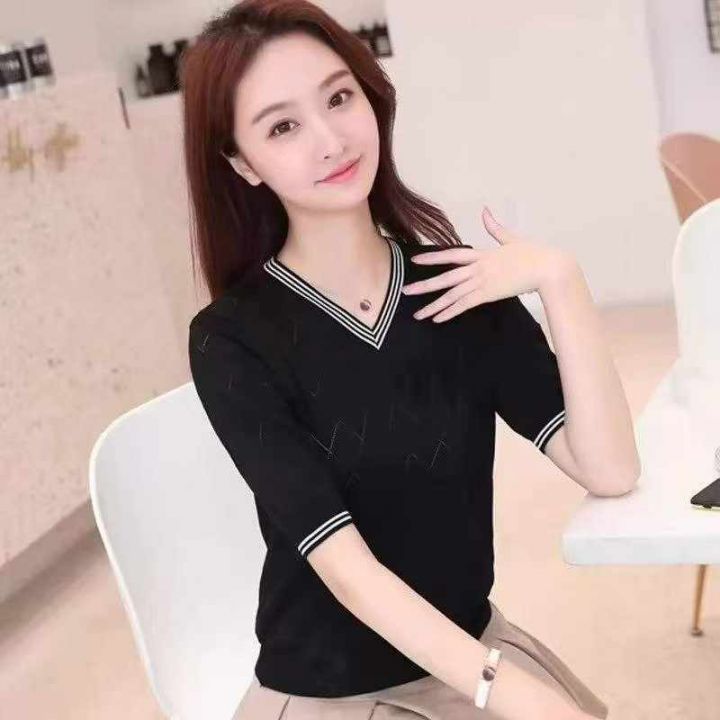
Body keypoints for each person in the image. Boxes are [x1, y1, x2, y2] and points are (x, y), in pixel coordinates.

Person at [181, 1, 637, 717]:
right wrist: (509, 694)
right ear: (242, 163)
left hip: (468, 653)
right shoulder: (232, 340)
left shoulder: (459, 287)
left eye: (339, 98)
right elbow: (348, 572)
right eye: (283, 127)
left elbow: (609, 470)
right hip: (336, 696)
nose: (331, 140)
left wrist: (561, 280)